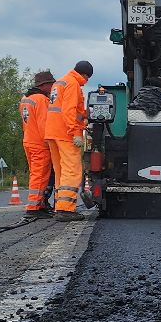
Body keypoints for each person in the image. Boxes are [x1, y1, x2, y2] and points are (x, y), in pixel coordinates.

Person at [46, 60, 91, 221]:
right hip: (65, 133)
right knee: (72, 170)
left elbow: (65, 109)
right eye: (87, 79)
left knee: (60, 171)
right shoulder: (73, 84)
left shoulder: (60, 82)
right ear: (84, 75)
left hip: (52, 132)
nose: (86, 83)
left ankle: (60, 206)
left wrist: (85, 114)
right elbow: (68, 110)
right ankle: (66, 209)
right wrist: (75, 133)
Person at [18, 70, 56, 220]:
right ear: (45, 85)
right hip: (40, 144)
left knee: (36, 174)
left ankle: (39, 205)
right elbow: (44, 124)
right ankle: (34, 207)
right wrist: (51, 143)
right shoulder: (42, 100)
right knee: (40, 176)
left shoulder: (25, 99)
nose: (53, 86)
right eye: (51, 84)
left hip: (28, 140)